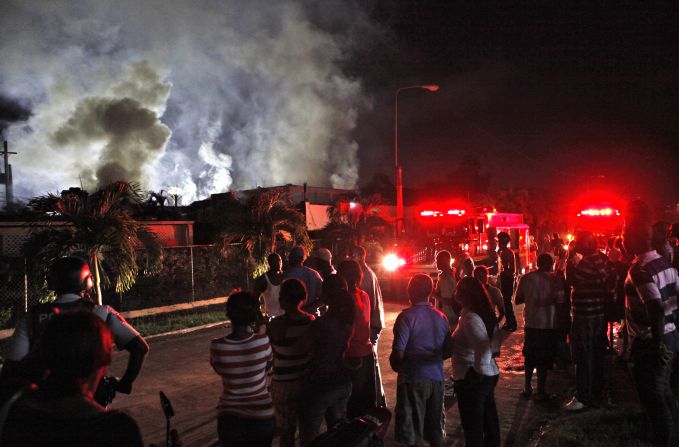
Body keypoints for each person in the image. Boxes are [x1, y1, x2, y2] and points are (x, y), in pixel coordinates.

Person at [2, 257, 149, 400]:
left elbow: (12, 367)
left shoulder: (33, 316)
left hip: (44, 404)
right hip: (90, 401)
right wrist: (124, 383)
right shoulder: (101, 312)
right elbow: (140, 348)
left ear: (53, 282)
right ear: (86, 281)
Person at [0, 312, 144, 446]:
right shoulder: (119, 430)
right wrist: (124, 384)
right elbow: (140, 347)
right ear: (105, 362)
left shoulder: (14, 413)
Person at [623, 202, 679, 446]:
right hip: (671, 335)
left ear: (634, 238)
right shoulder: (665, 264)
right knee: (664, 392)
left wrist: (657, 344)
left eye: (625, 234)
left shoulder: (639, 269)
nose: (623, 239)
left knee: (653, 398)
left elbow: (655, 307)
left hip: (651, 342)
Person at [390, 274, 452, 447]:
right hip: (436, 379)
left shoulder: (406, 317)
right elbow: (448, 349)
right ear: (431, 292)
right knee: (435, 430)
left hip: (413, 379)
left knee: (413, 432)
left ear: (409, 291)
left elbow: (398, 354)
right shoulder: (441, 317)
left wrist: (401, 365)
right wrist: (433, 359)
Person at [210, 291, 275, 447]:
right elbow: (267, 367)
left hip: (230, 418)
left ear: (229, 314)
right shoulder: (263, 341)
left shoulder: (217, 345)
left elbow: (220, 370)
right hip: (261, 416)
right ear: (253, 315)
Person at [298, 276, 355, 446]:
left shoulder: (320, 324)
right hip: (342, 381)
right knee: (337, 434)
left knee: (309, 436)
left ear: (327, 295)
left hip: (320, 383)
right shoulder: (347, 320)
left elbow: (303, 349)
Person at [563, 231, 611, 411]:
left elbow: (570, 281)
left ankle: (583, 396)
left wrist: (569, 259)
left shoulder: (584, 264)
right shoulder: (602, 260)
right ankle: (596, 393)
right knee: (596, 353)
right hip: (598, 312)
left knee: (582, 355)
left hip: (584, 314)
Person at [452, 277, 502, 447]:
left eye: (458, 289)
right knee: (489, 423)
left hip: (473, 376)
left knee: (473, 427)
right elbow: (494, 343)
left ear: (466, 294)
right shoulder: (481, 313)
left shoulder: (470, 318)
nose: (455, 292)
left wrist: (476, 372)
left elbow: (483, 347)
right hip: (487, 374)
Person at [266, 279, 315, 447]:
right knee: (306, 429)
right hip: (305, 381)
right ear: (303, 297)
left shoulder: (275, 325)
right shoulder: (310, 321)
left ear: (282, 298)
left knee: (286, 432)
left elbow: (270, 353)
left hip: (282, 384)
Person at [515, 253, 564, 400]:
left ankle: (527, 387)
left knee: (529, 356)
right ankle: (541, 390)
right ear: (550, 264)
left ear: (537, 263)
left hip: (531, 323)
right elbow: (561, 302)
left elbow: (517, 300)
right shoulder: (555, 280)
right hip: (549, 324)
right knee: (544, 358)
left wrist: (531, 297)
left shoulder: (526, 278)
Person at [337, 259, 376, 418]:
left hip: (353, 354)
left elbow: (347, 330)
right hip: (366, 352)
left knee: (353, 401)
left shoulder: (346, 299)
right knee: (365, 400)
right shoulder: (364, 295)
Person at [350, 244, 387, 407]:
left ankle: (376, 399)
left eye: (352, 255)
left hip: (371, 325)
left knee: (371, 361)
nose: (350, 258)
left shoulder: (363, 275)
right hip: (373, 323)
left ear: (360, 255)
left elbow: (365, 305)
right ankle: (376, 399)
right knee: (372, 360)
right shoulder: (366, 273)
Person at [284, 246, 323, 314]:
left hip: (293, 317)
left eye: (290, 256)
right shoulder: (315, 274)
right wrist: (309, 308)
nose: (288, 258)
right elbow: (323, 299)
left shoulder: (287, 275)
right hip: (312, 316)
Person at [498, 232, 518, 331]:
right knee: (506, 301)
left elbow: (510, 269)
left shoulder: (506, 253)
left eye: (499, 242)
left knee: (506, 301)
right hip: (507, 278)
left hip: (507, 279)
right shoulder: (505, 252)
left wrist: (503, 273)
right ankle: (509, 321)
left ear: (502, 242)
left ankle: (512, 323)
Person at [433, 250, 459, 329]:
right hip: (452, 318)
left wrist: (433, 293)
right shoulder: (453, 274)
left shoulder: (445, 277)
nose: (436, 262)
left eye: (438, 260)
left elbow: (449, 301)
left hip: (448, 319)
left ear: (446, 260)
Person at [255, 253, 284, 318]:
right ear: (269, 263)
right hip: (271, 319)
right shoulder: (263, 279)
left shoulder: (285, 276)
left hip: (286, 318)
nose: (278, 263)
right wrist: (261, 317)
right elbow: (254, 299)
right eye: (275, 261)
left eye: (279, 260)